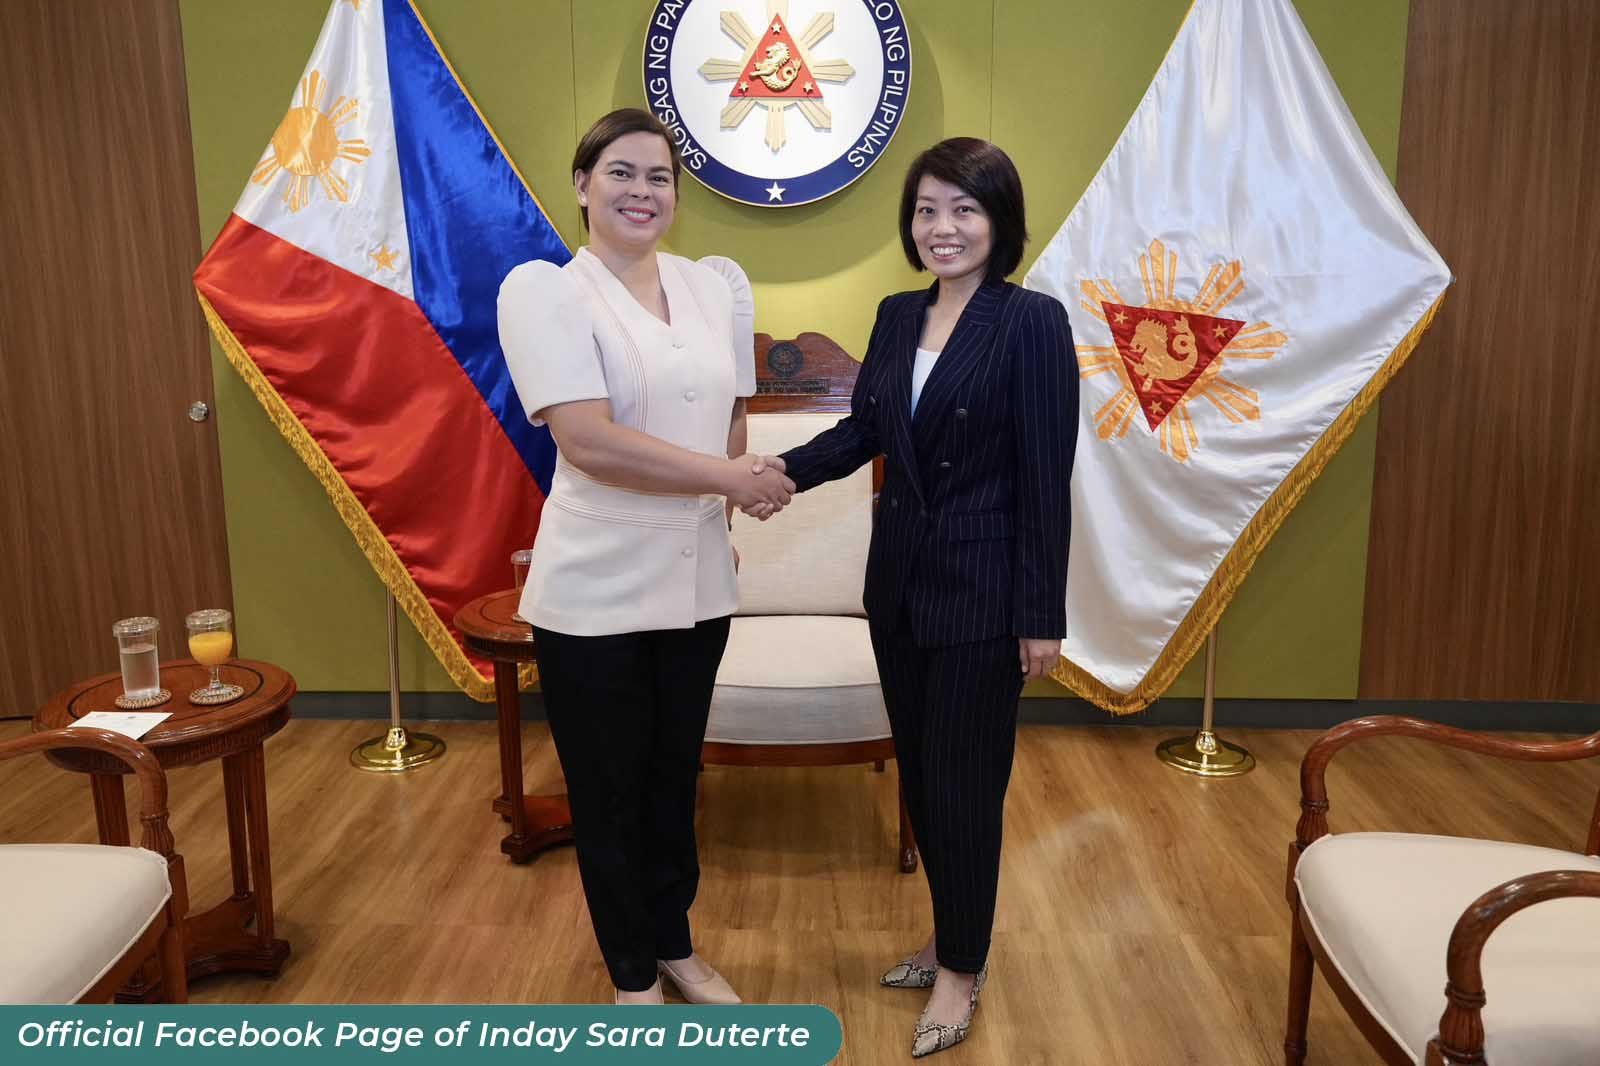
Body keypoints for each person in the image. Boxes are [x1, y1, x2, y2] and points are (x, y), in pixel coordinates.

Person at [759, 137, 1077, 1056]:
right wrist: (773, 471)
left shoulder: (1033, 323)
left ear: (1000, 222)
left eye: (964, 209)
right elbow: (864, 431)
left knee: (966, 792)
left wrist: (1040, 615)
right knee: (927, 787)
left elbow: (1045, 479)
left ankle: (961, 972)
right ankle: (951, 933)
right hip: (897, 592)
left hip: (984, 601)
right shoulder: (897, 316)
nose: (943, 228)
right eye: (928, 209)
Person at [497, 108, 794, 1005]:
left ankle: (674, 942)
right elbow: (590, 441)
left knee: (673, 780)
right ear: (583, 184)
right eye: (619, 172)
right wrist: (731, 480)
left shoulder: (713, 285)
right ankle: (631, 976)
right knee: (609, 790)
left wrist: (729, 501)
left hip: (699, 579)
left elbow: (733, 411)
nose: (641, 191)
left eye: (659, 177)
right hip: (595, 584)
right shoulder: (543, 292)